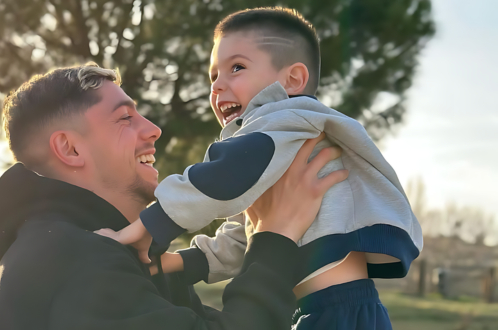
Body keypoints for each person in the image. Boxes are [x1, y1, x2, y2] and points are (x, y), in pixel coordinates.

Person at [99, 7, 423, 329]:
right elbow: (245, 237)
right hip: (318, 309)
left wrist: (146, 229)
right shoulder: (273, 155)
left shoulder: (290, 118)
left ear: (292, 79)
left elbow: (222, 174)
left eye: (236, 68)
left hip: (339, 310)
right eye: (213, 76)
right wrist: (177, 263)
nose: (216, 87)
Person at [0, 62, 348, 330]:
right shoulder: (72, 259)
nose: (153, 130)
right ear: (70, 150)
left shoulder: (113, 251)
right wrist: (275, 236)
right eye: (125, 118)